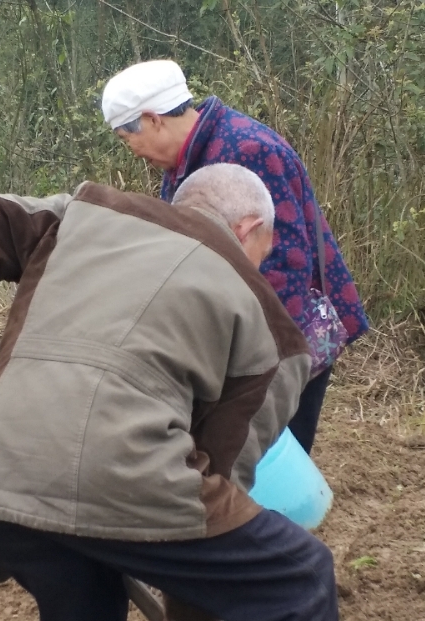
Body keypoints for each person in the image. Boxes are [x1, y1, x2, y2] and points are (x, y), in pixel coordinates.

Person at [0, 164, 346, 621]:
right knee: (298, 582)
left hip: (0, 474)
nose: (260, 263)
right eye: (265, 246)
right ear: (247, 229)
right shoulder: (274, 331)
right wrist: (190, 620)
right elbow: (223, 470)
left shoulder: (85, 213)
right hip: (127, 482)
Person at [101, 59, 369, 455]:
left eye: (128, 139)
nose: (133, 153)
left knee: (270, 461)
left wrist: (262, 363)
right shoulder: (191, 157)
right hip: (249, 334)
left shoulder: (246, 151)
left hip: (286, 335)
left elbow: (284, 263)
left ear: (153, 119)